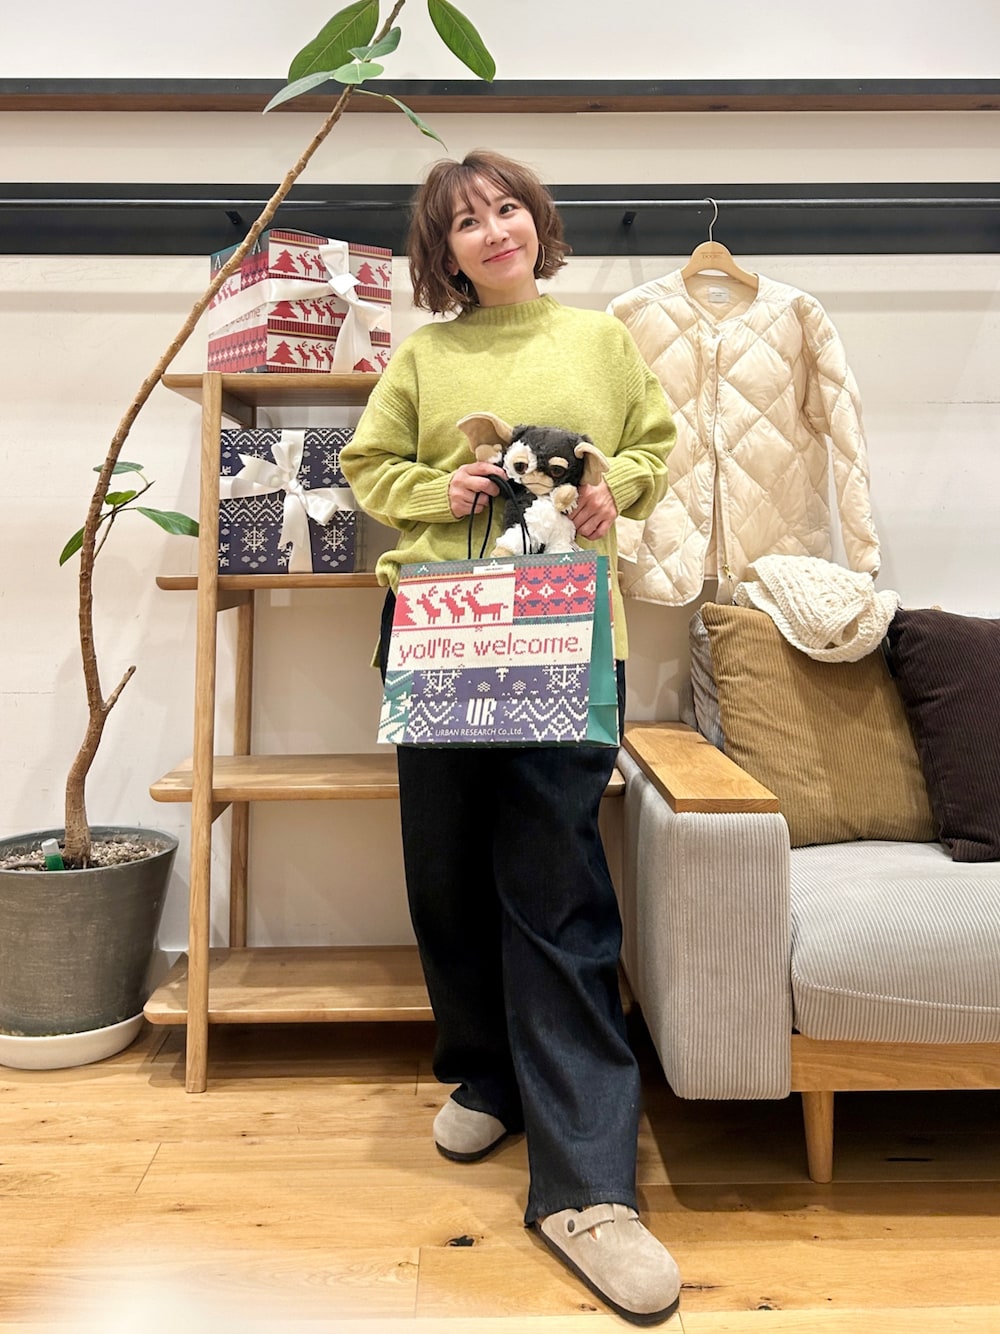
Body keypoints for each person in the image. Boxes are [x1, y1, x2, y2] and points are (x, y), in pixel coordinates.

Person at [340, 149, 680, 1326]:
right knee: (442, 873)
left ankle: (588, 1184)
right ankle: (486, 1071)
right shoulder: (423, 356)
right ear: (441, 252)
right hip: (440, 627)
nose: (493, 230)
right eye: (464, 221)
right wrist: (440, 489)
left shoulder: (601, 341)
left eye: (506, 209)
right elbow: (367, 464)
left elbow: (653, 445)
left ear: (537, 221)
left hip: (566, 629)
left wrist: (615, 489)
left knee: (556, 884)